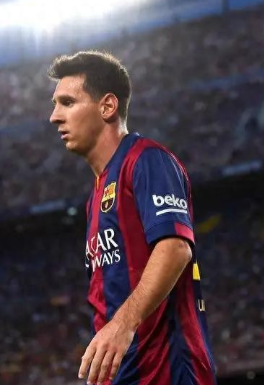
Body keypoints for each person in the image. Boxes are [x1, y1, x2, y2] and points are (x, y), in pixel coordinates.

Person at [48, 50, 217, 385]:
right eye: (55, 104)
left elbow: (174, 248)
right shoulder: (96, 196)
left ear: (108, 106)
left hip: (167, 373)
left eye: (67, 102)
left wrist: (122, 326)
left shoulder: (147, 161)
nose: (54, 117)